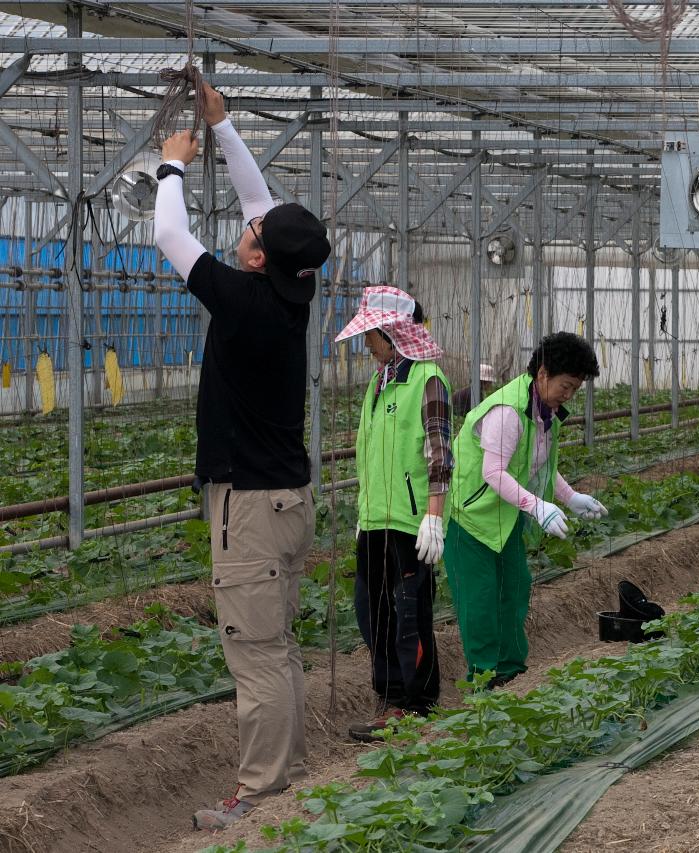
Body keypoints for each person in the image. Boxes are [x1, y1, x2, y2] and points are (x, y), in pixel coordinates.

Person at [154, 85, 331, 830]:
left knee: (253, 654)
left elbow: (170, 236)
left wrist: (171, 167)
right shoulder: (291, 292)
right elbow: (262, 200)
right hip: (285, 500)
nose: (247, 225)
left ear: (258, 256)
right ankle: (282, 777)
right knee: (277, 646)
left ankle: (257, 798)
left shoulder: (243, 301)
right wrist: (222, 127)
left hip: (251, 510)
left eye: (253, 231)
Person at [444, 332, 607, 686]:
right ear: (543, 374)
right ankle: (483, 681)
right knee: (480, 601)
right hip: (470, 518)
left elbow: (537, 464)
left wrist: (569, 497)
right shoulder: (508, 412)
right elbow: (494, 472)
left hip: (504, 517)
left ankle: (511, 673)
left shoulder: (543, 411)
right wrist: (537, 506)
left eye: (575, 389)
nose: (569, 395)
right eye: (566, 385)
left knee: (515, 589)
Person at [335, 287, 452, 743]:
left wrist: (434, 516)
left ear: (393, 332)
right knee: (371, 612)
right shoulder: (380, 381)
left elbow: (439, 454)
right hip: (376, 521)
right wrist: (364, 514)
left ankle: (416, 704)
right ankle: (390, 699)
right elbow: (370, 454)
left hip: (410, 524)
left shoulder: (427, 380)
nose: (366, 343)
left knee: (408, 616)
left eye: (371, 334)